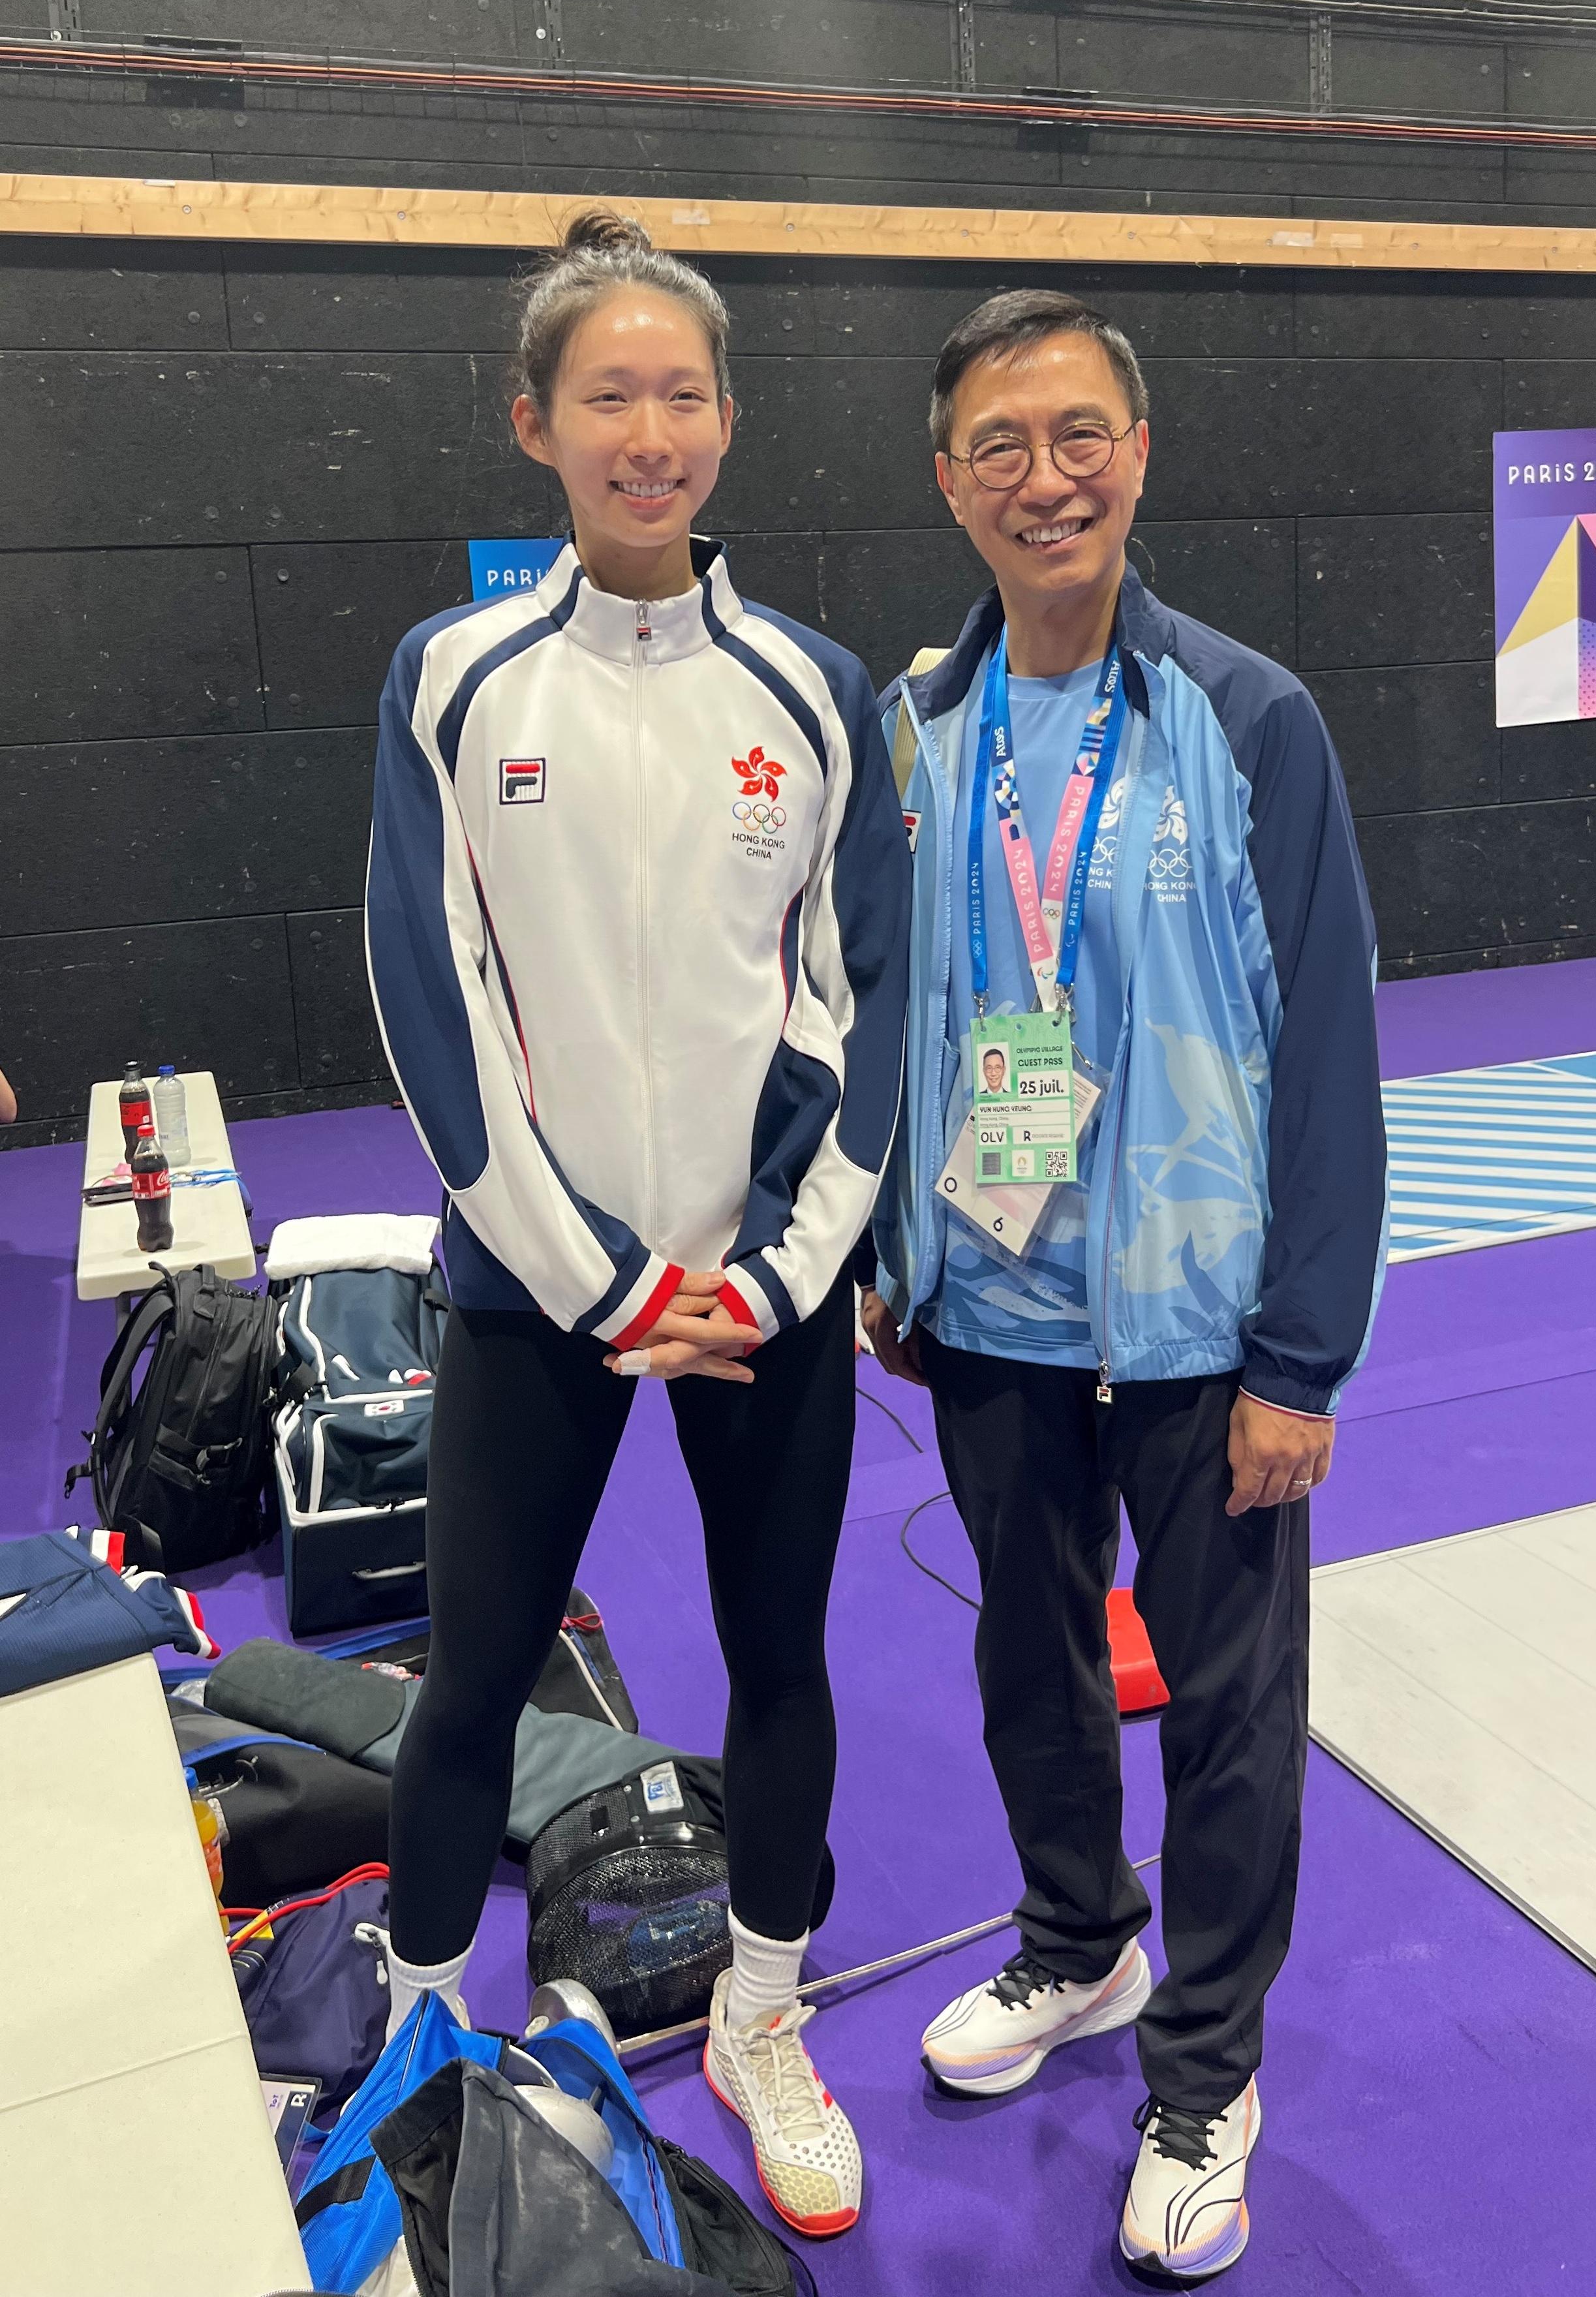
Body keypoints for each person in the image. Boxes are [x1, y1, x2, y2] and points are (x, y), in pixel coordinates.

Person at [365, 209, 909, 2240]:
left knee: (784, 1665)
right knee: (475, 1686)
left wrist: (765, 1271)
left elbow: (869, 1004)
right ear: (537, 425)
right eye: (612, 394)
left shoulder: (818, 688)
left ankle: (768, 2020)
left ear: (728, 427)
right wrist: (603, 1280)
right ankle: (422, 2054)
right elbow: (434, 1013)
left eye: (684, 394)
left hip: (766, 1296)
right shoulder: (450, 680)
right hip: (538, 1292)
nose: (650, 430)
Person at [860, 290, 1385, 2283]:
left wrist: (1302, 1353)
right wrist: (904, 1245)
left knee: (1231, 1709)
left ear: (1139, 455)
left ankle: (1206, 2068)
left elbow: (1327, 1047)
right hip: (991, 1308)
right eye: (1000, 445)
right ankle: (1077, 1945)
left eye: (1078, 435)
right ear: (948, 482)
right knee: (1029, 1662)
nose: (1043, 476)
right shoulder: (915, 732)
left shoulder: (1247, 719)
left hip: (1198, 1318)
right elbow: (891, 1012)